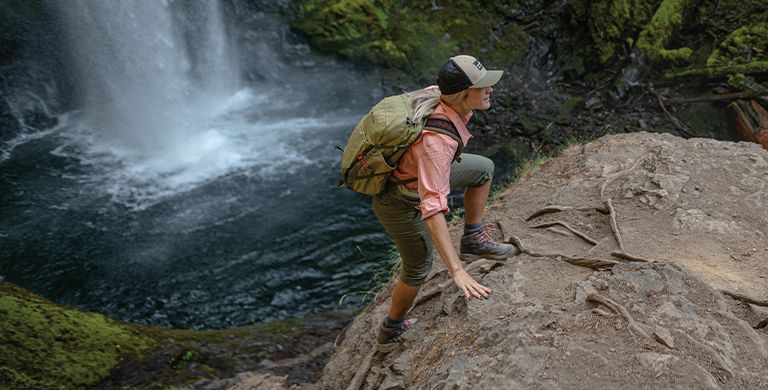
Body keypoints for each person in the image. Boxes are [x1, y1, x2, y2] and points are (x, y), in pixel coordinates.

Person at [373, 55, 517, 352]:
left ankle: (474, 238)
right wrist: (456, 271)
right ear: (464, 94)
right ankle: (389, 330)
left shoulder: (445, 96)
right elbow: (433, 208)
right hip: (398, 201)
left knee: (483, 169)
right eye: (483, 86)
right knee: (418, 267)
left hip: (416, 176)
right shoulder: (437, 144)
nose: (490, 89)